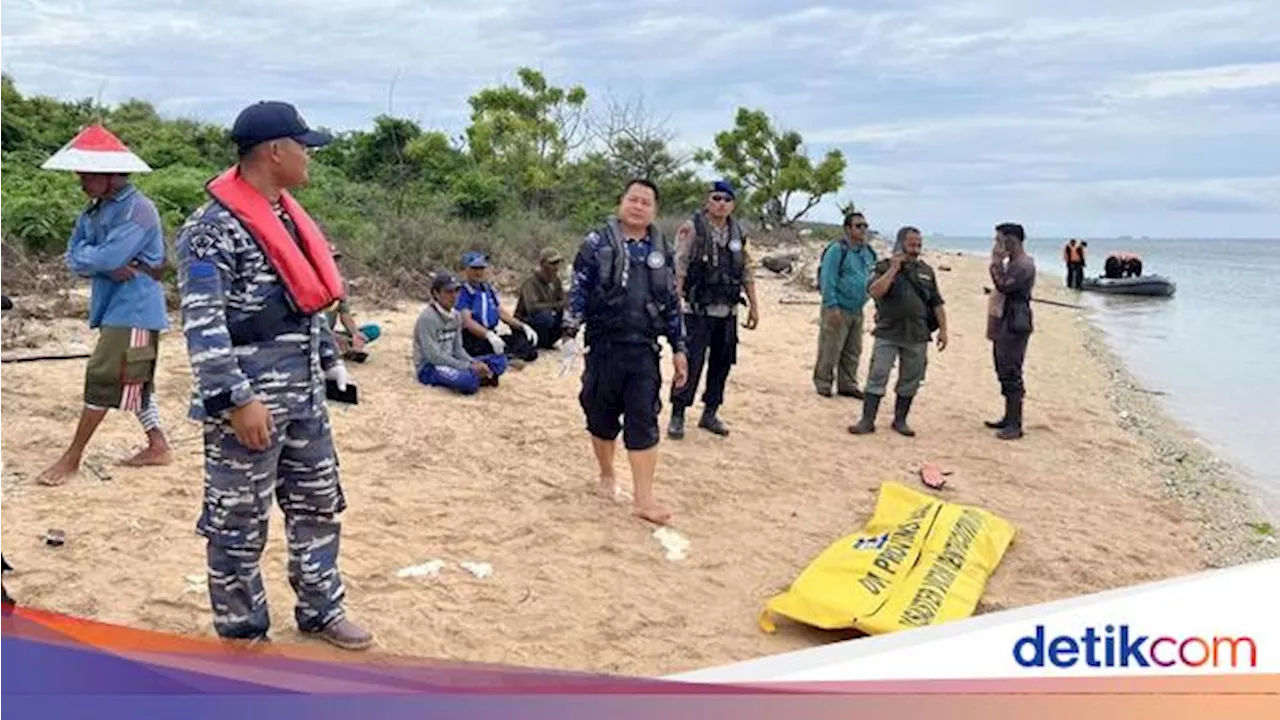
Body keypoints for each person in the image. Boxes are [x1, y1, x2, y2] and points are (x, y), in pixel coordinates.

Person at [174, 100, 372, 650]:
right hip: (249, 405)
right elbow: (203, 327)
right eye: (303, 146)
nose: (310, 156)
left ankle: (321, 609)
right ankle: (243, 635)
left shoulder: (288, 217)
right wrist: (237, 400)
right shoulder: (210, 231)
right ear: (275, 151)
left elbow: (309, 310)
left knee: (318, 504)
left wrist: (330, 368)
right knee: (237, 523)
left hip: (305, 396)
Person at [34, 124, 173, 486]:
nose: (81, 178)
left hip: (136, 307)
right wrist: (100, 261)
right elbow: (74, 256)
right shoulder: (95, 211)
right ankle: (158, 446)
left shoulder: (139, 210)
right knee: (133, 378)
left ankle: (72, 457)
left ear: (111, 175)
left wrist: (99, 259)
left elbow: (109, 255)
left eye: (88, 173)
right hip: (116, 304)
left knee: (104, 376)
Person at [563, 178, 688, 525]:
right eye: (633, 199)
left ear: (655, 211)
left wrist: (679, 348)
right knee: (599, 414)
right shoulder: (595, 244)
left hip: (644, 350)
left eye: (646, 202)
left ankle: (643, 500)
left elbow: (671, 304)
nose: (638, 206)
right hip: (603, 347)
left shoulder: (661, 251)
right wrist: (570, 332)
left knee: (644, 419)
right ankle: (606, 473)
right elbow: (579, 289)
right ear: (621, 203)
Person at [667, 180, 760, 439]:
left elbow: (746, 269)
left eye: (727, 200)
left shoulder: (739, 232)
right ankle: (678, 413)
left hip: (727, 311)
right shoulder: (692, 229)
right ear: (707, 201)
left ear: (733, 204)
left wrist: (754, 305)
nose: (721, 204)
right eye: (717, 198)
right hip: (697, 311)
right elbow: (680, 266)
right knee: (690, 363)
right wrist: (675, 303)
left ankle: (710, 412)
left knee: (722, 363)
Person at [848, 227, 948, 437]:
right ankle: (867, 420)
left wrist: (943, 330)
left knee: (911, 377)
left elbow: (936, 302)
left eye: (918, 245)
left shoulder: (926, 271)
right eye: (911, 244)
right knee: (878, 374)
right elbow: (874, 291)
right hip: (888, 332)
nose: (915, 249)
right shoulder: (884, 266)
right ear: (900, 244)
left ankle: (900, 420)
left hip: (918, 334)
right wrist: (893, 270)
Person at [814, 211, 878, 398]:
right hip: (837, 306)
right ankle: (823, 383)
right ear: (847, 229)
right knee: (831, 347)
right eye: (858, 226)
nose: (863, 230)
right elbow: (828, 278)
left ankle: (847, 384)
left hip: (857, 308)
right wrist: (832, 305)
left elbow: (873, 277)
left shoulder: (868, 252)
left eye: (865, 226)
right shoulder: (837, 250)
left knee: (853, 349)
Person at [984, 222, 1036, 441]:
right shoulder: (1014, 262)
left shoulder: (1023, 265)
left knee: (1011, 369)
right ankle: (1009, 416)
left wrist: (995, 262)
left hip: (1015, 320)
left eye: (999, 240)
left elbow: (1004, 285)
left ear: (1011, 241)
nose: (996, 245)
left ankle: (1015, 424)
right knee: (1002, 366)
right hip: (1007, 317)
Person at [414, 271, 507, 394]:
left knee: (499, 360)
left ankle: (478, 375)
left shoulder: (456, 316)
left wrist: (472, 362)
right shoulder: (428, 318)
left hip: (452, 361)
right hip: (430, 367)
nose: (454, 296)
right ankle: (479, 377)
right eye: (448, 292)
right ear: (436, 293)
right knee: (467, 382)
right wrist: (468, 366)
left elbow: (458, 349)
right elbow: (433, 357)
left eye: (456, 291)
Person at [456, 251, 540, 362]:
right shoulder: (463, 292)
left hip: (492, 334)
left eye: (481, 268)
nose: (479, 272)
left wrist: (522, 326)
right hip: (473, 337)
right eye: (475, 268)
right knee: (490, 349)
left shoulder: (487, 290)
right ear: (466, 270)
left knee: (527, 345)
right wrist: (488, 335)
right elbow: (467, 322)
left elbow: (500, 313)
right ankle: (503, 358)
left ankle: (506, 356)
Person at [324, 245, 380, 362]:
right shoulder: (311, 283)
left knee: (373, 330)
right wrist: (334, 337)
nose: (334, 264)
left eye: (336, 260)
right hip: (318, 333)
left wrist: (355, 334)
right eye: (331, 260)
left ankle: (346, 348)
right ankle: (338, 347)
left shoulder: (338, 285)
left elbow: (345, 315)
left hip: (331, 333)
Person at [513, 247, 567, 350]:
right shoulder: (531, 282)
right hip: (527, 323)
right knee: (545, 316)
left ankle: (547, 341)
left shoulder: (556, 281)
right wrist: (557, 306)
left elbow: (563, 301)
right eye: (552, 263)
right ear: (543, 264)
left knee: (567, 317)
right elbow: (532, 308)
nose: (556, 267)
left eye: (557, 263)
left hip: (546, 324)